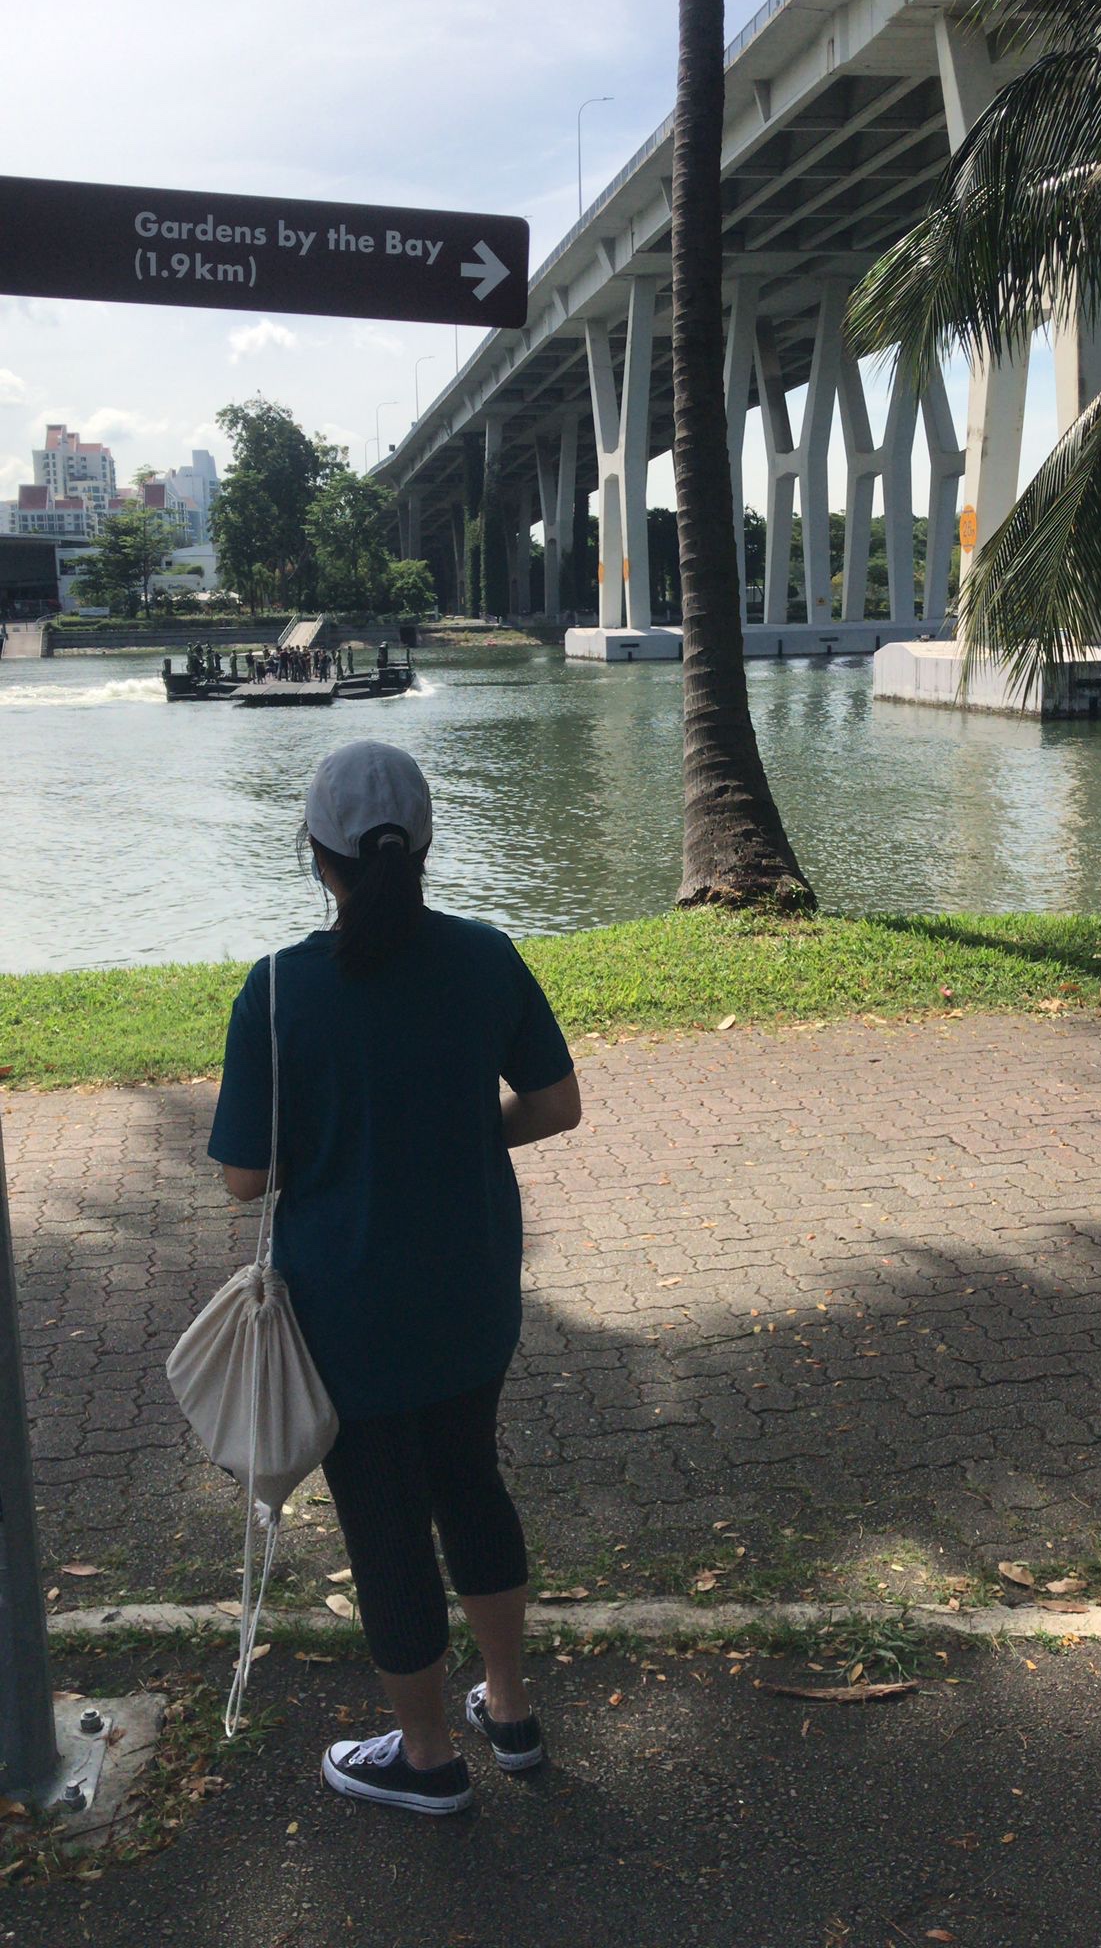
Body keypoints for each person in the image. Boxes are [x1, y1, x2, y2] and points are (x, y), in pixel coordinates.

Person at [207, 742, 580, 1816]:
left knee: (384, 1527)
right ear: (422, 846)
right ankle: (510, 1711)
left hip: (348, 1314)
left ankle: (426, 1759)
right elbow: (556, 1106)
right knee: (472, 1482)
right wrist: (451, 1131)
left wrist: (344, 1143)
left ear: (315, 853)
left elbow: (244, 1176)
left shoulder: (278, 988)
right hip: (472, 1292)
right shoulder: (486, 956)